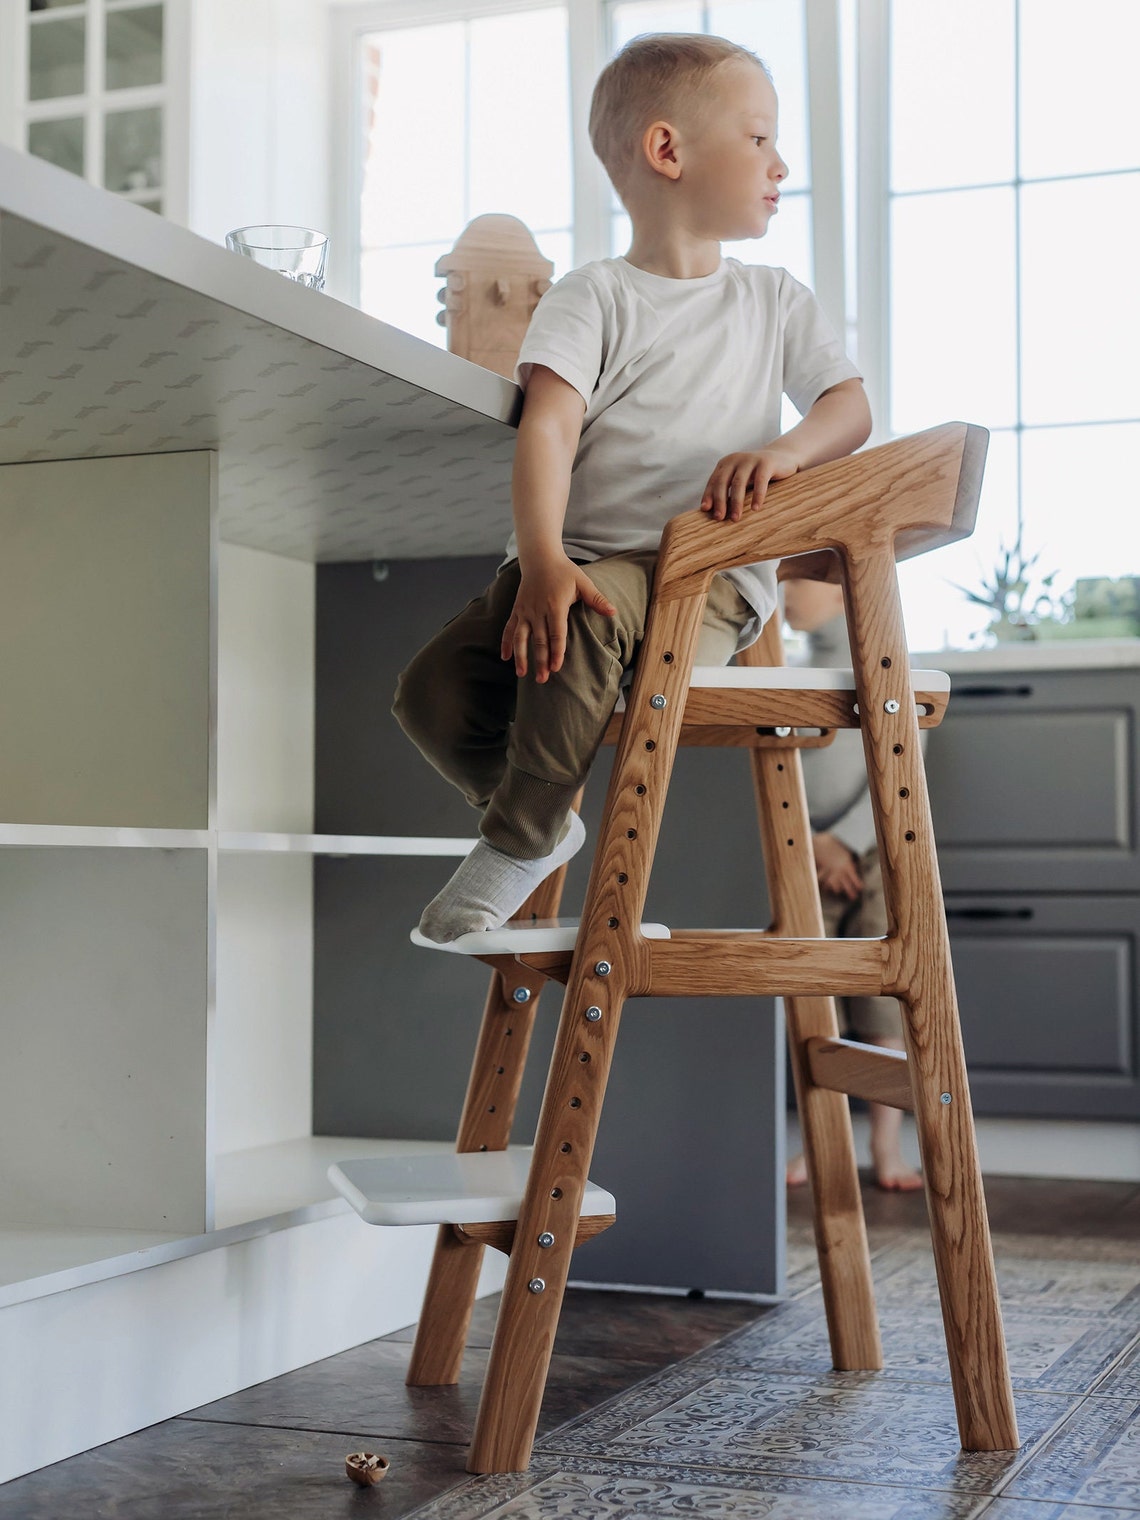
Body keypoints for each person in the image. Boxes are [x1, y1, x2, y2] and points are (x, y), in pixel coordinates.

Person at [394, 31, 871, 945]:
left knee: (584, 620)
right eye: (760, 139)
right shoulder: (591, 295)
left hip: (703, 579)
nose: (781, 164)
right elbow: (548, 427)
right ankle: (536, 815)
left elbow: (849, 406)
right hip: (573, 561)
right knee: (432, 692)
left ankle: (516, 840)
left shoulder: (773, 299)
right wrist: (541, 561)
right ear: (667, 150)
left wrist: (786, 452)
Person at [781, 573, 923, 1192]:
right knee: (818, 1002)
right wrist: (814, 841)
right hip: (805, 851)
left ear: (842, 588)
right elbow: (776, 765)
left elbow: (903, 769)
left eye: (796, 580)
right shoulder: (786, 675)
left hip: (876, 854)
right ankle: (822, 1143)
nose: (783, 593)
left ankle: (886, 1146)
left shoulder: (884, 668)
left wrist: (849, 841)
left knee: (881, 1000)